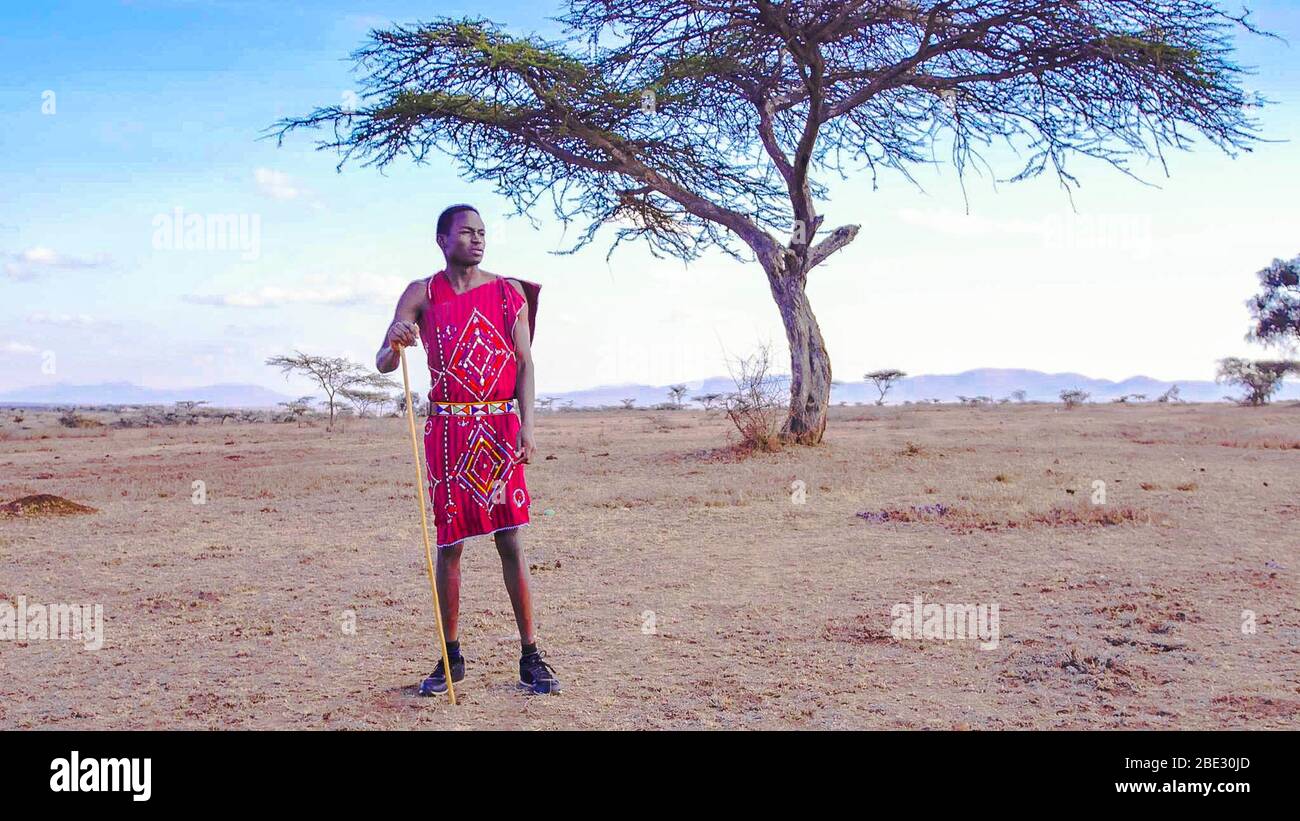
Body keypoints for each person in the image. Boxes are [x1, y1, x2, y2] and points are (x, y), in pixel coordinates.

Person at [377, 203, 560, 695]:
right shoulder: (423, 293)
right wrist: (395, 339)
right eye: (466, 232)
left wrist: (528, 426)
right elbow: (382, 363)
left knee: (510, 540)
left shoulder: (509, 292)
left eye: (482, 233)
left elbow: (524, 363)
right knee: (449, 545)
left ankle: (530, 656)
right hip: (449, 431)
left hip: (500, 428)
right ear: (442, 240)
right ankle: (451, 657)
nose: (477, 240)